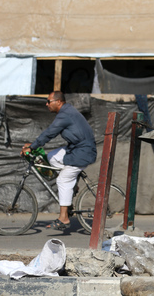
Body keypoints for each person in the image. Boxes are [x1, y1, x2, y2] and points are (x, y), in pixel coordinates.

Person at [21, 91, 97, 230]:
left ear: (58, 102)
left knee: (62, 180)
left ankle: (64, 218)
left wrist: (32, 148)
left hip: (82, 152)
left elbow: (50, 133)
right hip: (75, 149)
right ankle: (71, 187)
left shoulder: (64, 114)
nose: (47, 104)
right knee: (52, 157)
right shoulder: (66, 111)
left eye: (49, 101)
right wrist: (32, 145)